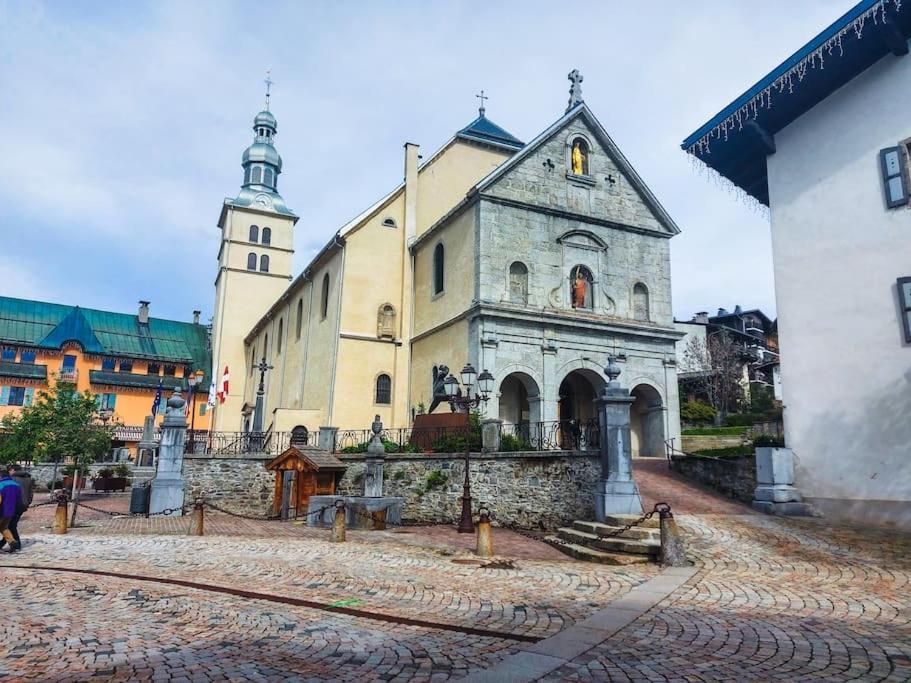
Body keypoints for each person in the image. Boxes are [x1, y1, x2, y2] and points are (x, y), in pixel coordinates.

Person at [7, 464, 33, 551]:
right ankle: (13, 543)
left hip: (14, 505)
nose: (9, 472)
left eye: (9, 470)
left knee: (9, 526)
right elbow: (31, 494)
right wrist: (27, 503)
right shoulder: (29, 479)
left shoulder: (12, 479)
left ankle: (15, 544)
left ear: (13, 470)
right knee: (11, 525)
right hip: (23, 506)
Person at [0, 469, 22, 552]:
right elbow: (18, 500)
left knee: (3, 527)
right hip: (10, 512)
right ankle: (12, 542)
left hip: (1, 511)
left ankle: (12, 542)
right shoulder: (17, 485)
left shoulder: (1, 485)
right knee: (3, 527)